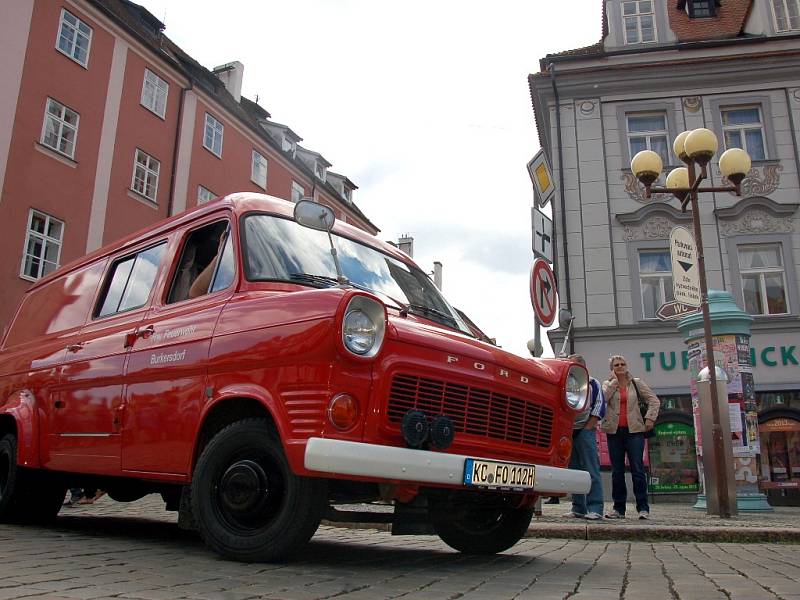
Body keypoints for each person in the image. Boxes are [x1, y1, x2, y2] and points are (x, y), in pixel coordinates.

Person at [601, 354, 660, 520]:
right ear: (612, 369)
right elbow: (603, 399)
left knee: (637, 469)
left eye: (622, 364)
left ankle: (643, 508)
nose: (620, 367)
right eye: (616, 365)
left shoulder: (636, 383)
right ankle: (618, 509)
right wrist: (614, 382)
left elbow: (654, 400)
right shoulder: (607, 384)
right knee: (617, 471)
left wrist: (650, 418)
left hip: (635, 431)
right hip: (614, 432)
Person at [563, 354, 606, 520]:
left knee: (590, 469)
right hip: (568, 431)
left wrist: (589, 426)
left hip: (585, 429)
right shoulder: (564, 383)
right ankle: (578, 507)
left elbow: (600, 405)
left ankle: (595, 507)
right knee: (574, 470)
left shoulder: (593, 383)